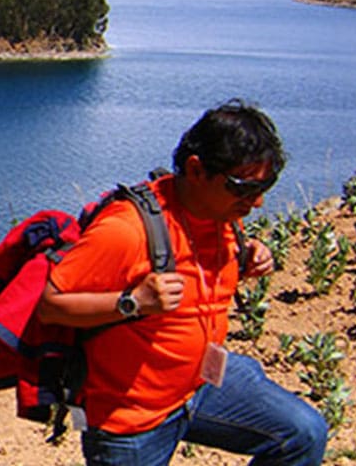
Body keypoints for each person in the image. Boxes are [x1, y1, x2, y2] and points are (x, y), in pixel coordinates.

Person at [37, 99, 328, 466]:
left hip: (202, 385)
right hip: (132, 418)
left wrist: (247, 256)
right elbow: (51, 305)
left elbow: (199, 272)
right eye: (244, 188)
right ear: (196, 170)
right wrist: (133, 302)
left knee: (303, 434)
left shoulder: (219, 213)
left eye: (265, 187)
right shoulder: (125, 230)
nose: (257, 203)